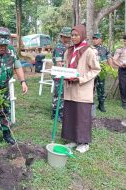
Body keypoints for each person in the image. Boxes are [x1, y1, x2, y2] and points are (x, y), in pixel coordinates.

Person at [61, 24, 101, 153]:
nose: (73, 37)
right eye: (72, 35)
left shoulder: (89, 51)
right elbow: (66, 68)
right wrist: (62, 74)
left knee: (82, 115)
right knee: (71, 114)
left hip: (82, 88)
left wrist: (81, 78)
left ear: (82, 35)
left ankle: (84, 142)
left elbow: (96, 69)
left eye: (76, 35)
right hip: (70, 88)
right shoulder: (69, 51)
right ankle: (73, 139)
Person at [51, 27, 71, 122]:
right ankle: (55, 114)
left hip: (63, 73)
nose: (70, 38)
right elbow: (59, 63)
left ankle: (60, 112)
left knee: (62, 94)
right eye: (68, 37)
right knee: (58, 94)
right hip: (59, 73)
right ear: (63, 36)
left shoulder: (66, 46)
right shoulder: (60, 46)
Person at [92, 33, 113, 112]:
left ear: (101, 39)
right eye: (93, 38)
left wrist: (110, 68)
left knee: (101, 89)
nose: (94, 40)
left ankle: (101, 105)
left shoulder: (105, 48)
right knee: (91, 88)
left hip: (101, 72)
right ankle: (90, 103)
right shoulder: (90, 48)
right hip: (92, 71)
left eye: (96, 38)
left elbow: (109, 58)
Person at [112, 35, 126, 109]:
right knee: (123, 86)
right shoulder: (120, 50)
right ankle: (124, 102)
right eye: (124, 41)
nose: (125, 42)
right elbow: (114, 60)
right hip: (123, 69)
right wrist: (120, 65)